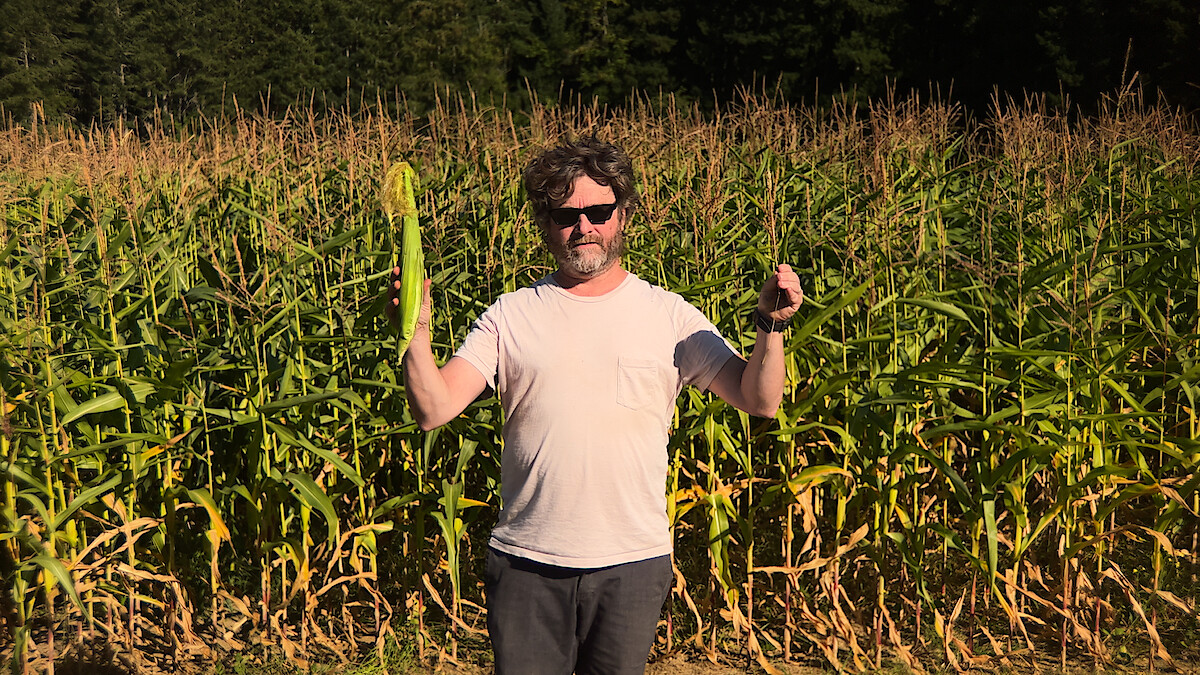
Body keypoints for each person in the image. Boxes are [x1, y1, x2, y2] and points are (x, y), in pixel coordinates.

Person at [387, 137, 803, 675]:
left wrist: (770, 325)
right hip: (527, 563)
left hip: (631, 563)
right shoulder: (510, 316)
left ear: (623, 214)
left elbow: (760, 398)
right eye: (566, 215)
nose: (583, 226)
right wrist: (415, 332)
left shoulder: (669, 317)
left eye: (599, 211)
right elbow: (434, 408)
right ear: (546, 223)